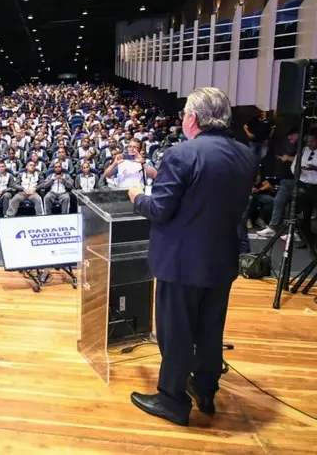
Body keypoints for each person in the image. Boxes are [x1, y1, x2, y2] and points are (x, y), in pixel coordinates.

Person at [127, 87, 256, 426]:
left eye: (185, 113)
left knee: (176, 332)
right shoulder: (245, 155)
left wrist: (137, 196)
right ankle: (205, 388)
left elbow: (161, 210)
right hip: (221, 259)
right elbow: (206, 198)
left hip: (182, 264)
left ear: (193, 118)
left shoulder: (182, 154)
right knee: (211, 329)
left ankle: (172, 399)